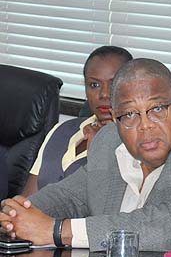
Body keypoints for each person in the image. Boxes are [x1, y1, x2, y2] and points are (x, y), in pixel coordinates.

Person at [0, 58, 171, 257]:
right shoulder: (110, 140)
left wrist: (55, 231)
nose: (145, 126)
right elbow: (70, 196)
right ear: (115, 116)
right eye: (130, 114)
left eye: (156, 109)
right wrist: (16, 217)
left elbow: (167, 228)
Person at [23, 46, 133, 196]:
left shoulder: (137, 142)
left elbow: (109, 209)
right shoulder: (62, 130)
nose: (104, 94)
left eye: (114, 84)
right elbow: (28, 199)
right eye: (94, 85)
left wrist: (99, 152)